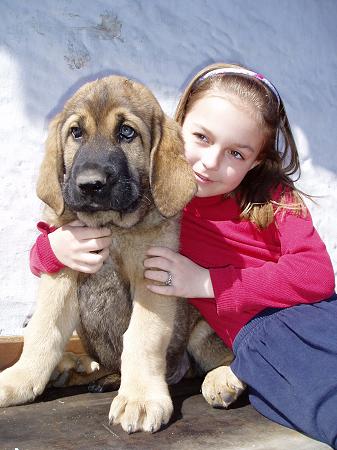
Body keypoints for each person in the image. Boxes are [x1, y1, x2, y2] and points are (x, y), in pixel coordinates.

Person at [30, 63, 336, 448]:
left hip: (298, 319)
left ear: (257, 160)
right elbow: (52, 251)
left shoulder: (275, 198)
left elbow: (317, 275)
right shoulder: (162, 200)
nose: (210, 163)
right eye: (202, 138)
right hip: (252, 344)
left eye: (237, 153)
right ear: (178, 131)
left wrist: (206, 282)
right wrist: (52, 247)